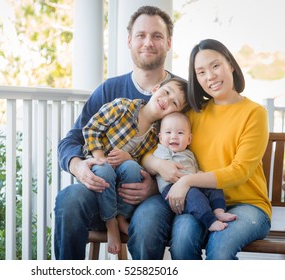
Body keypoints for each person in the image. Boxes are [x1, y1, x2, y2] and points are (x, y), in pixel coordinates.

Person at [55, 6, 184, 259]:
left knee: (147, 227)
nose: (148, 42)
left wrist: (154, 189)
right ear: (129, 40)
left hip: (152, 196)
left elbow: (191, 156)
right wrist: (78, 167)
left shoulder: (180, 96)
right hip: (103, 186)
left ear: (168, 42)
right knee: (69, 201)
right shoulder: (109, 91)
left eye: (157, 36)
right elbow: (72, 139)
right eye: (141, 35)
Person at [143, 38, 272, 260]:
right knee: (182, 240)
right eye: (201, 72)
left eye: (215, 66)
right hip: (201, 201)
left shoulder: (254, 113)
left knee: (219, 249)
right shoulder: (193, 114)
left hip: (248, 204)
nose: (210, 77)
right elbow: (152, 151)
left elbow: (240, 171)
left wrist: (188, 180)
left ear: (230, 64)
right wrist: (158, 164)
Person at [82, 77, 188, 254]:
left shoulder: (157, 136)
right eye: (166, 92)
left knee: (132, 168)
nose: (166, 100)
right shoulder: (122, 107)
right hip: (99, 166)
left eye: (174, 103)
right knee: (105, 170)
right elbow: (91, 129)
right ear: (155, 89)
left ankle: (122, 217)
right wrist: (100, 157)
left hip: (122, 176)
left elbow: (142, 165)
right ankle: (111, 223)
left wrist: (129, 157)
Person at [154, 112, 236, 232]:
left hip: (191, 182)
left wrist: (199, 174)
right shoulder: (161, 151)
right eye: (168, 132)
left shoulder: (189, 153)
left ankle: (219, 211)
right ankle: (210, 221)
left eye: (180, 133)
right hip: (172, 188)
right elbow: (154, 166)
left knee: (213, 186)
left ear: (189, 139)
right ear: (160, 138)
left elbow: (193, 168)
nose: (174, 137)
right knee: (194, 196)